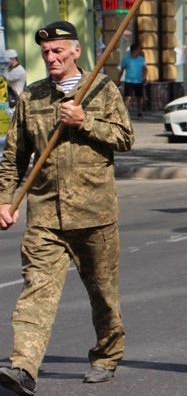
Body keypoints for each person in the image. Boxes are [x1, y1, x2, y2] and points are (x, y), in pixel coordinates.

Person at [0, 20, 134, 394]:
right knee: (35, 292)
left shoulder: (102, 89)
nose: (51, 57)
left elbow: (125, 138)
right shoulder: (32, 98)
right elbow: (14, 157)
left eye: (58, 51)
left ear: (76, 51)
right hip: (45, 216)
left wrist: (85, 120)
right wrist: (5, 200)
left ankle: (106, 356)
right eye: (46, 52)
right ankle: (23, 367)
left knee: (103, 296)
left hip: (95, 214)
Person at [118, 43, 147, 120]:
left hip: (139, 81)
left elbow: (145, 69)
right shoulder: (126, 59)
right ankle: (124, 113)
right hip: (129, 81)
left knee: (140, 97)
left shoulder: (141, 59)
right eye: (138, 49)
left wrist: (144, 77)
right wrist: (118, 79)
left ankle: (139, 112)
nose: (139, 51)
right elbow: (122, 70)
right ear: (135, 50)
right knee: (127, 97)